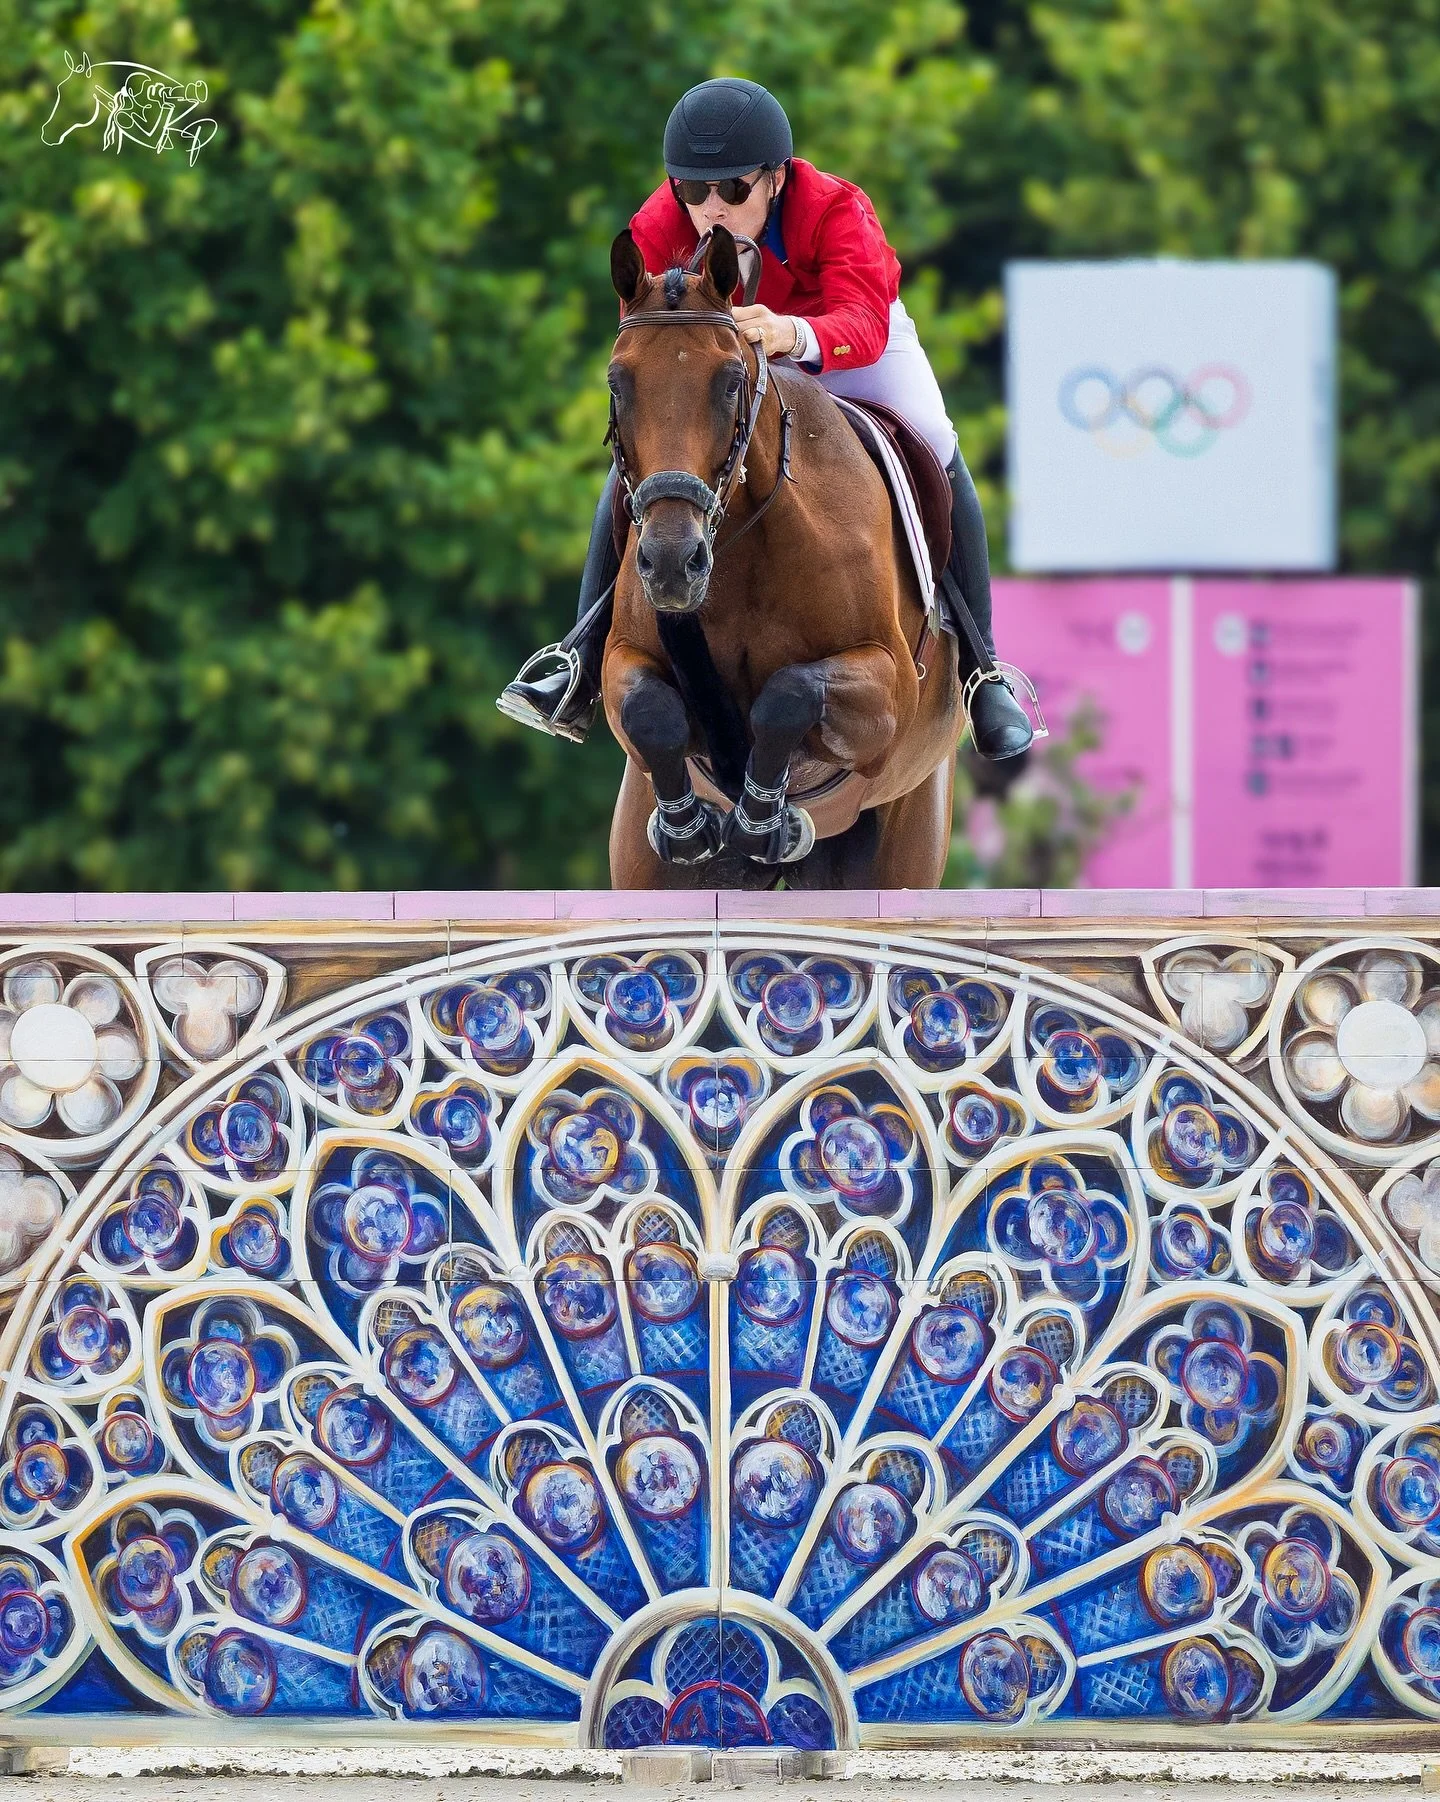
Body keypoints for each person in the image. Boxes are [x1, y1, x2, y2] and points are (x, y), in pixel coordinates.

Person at [498, 77, 1035, 761]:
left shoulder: (836, 208)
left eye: (732, 190)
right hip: (729, 359)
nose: (711, 209)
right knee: (646, 459)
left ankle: (982, 670)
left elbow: (863, 321)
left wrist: (791, 334)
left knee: (935, 440)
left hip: (843, 343)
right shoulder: (658, 227)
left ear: (776, 178)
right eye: (693, 191)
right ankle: (577, 657)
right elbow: (650, 342)